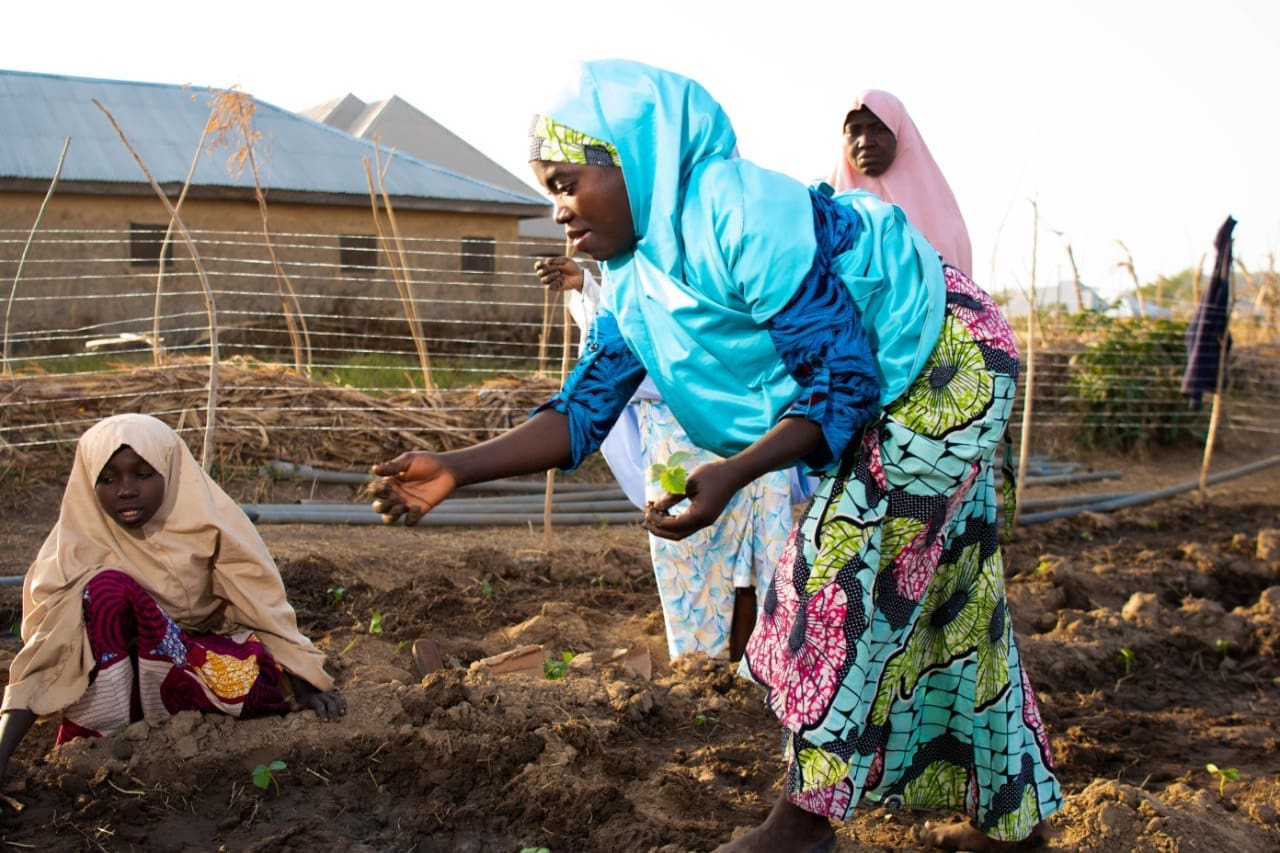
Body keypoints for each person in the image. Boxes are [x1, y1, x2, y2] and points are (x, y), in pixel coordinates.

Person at [369, 60, 1060, 851]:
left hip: (945, 358)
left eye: (565, 183)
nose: (557, 211)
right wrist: (457, 466)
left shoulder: (737, 211)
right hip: (893, 382)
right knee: (956, 596)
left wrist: (733, 473)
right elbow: (582, 412)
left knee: (835, 571)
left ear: (633, 157)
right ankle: (1017, 827)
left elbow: (842, 377)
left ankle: (804, 824)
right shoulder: (634, 281)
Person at [0, 413, 344, 787]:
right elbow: (45, 655)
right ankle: (104, 745)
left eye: (143, 474)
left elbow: (263, 608)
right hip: (108, 681)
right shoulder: (70, 551)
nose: (126, 490)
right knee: (106, 589)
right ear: (87, 483)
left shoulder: (210, 523)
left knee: (255, 685)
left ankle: (162, 716)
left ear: (170, 468)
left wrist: (306, 681)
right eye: (107, 478)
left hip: (181, 662)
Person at [534, 255, 802, 663]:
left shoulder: (731, 248)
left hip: (754, 421)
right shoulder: (645, 256)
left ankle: (761, 665)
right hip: (676, 430)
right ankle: (701, 670)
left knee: (763, 550)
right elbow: (625, 326)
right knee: (689, 554)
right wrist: (589, 290)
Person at [828, 89, 974, 277]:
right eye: (854, 132)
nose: (864, 142)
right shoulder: (824, 211)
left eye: (878, 129)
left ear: (900, 133)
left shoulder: (942, 218)